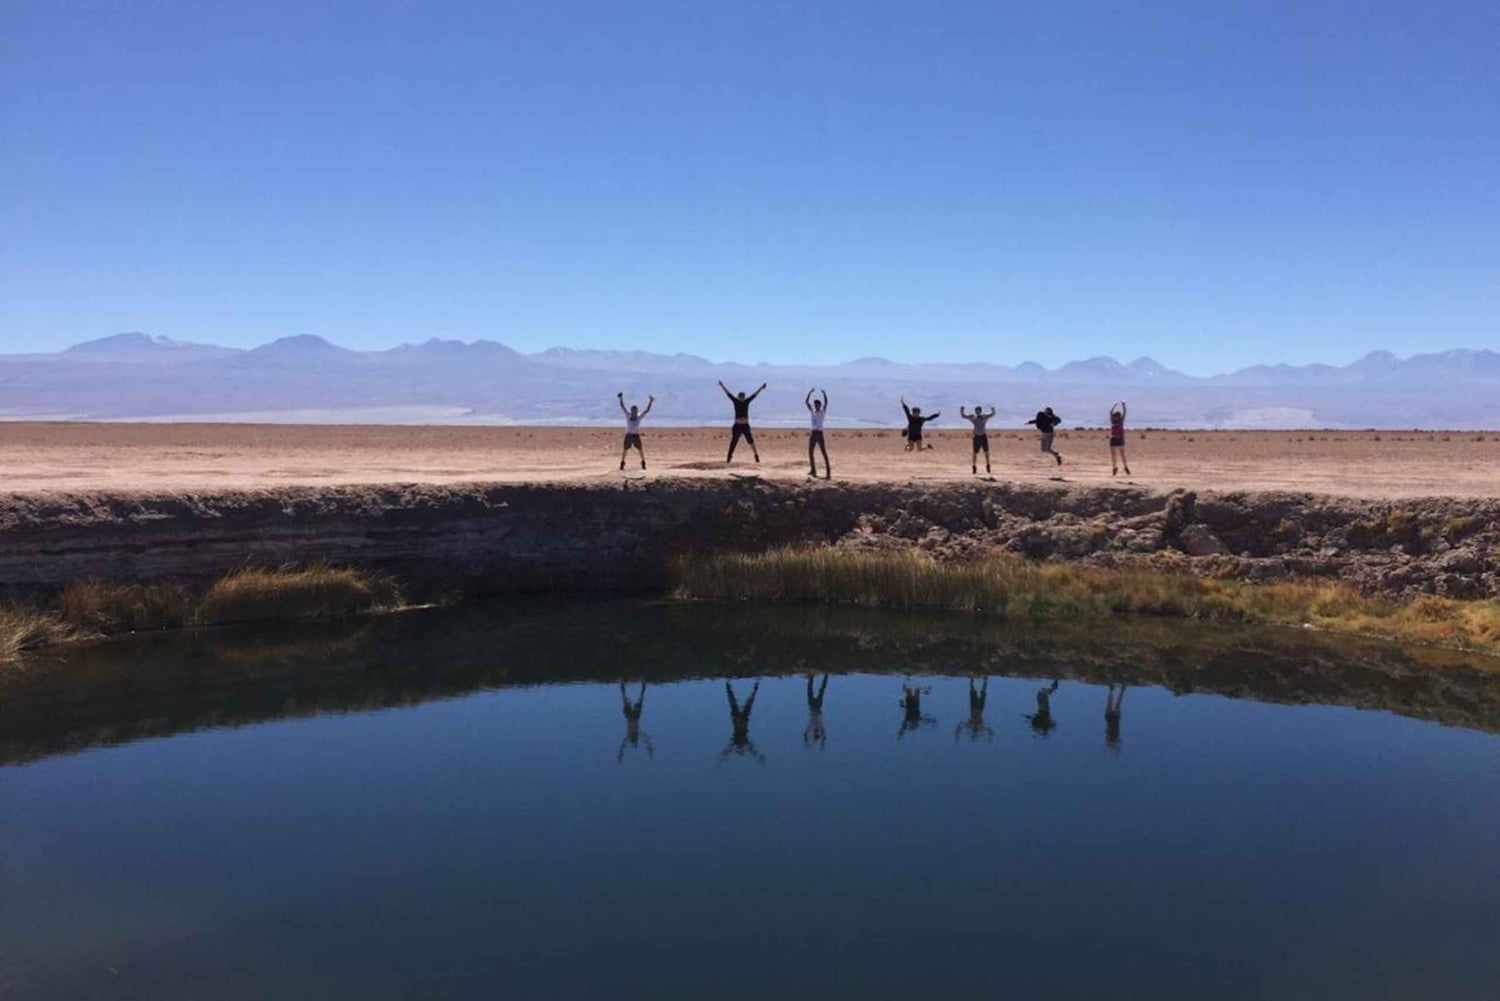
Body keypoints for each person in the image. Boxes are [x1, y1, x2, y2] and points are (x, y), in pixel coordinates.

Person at [719, 380, 766, 464]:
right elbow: (728, 393)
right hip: (737, 425)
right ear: (738, 397)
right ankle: (729, 456)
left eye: (742, 397)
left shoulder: (746, 401)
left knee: (750, 441)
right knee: (734, 442)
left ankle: (756, 455)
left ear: (744, 397)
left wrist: (761, 388)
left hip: (745, 425)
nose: (741, 398)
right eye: (740, 397)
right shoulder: (735, 401)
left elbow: (755, 395)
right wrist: (722, 385)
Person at [719, 680, 765, 764]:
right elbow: (751, 748)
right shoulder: (743, 740)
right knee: (745, 702)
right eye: (741, 748)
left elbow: (729, 749)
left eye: (740, 748)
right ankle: (755, 687)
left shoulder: (737, 741)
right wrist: (758, 755)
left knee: (733, 701)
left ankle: (728, 685)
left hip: (738, 719)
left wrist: (723, 755)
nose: (741, 746)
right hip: (743, 719)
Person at [617, 681, 655, 763]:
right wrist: (650, 749)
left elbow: (623, 744)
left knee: (626, 700)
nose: (636, 738)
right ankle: (642, 687)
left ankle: (623, 684)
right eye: (635, 739)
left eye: (635, 739)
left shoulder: (630, 735)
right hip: (635, 717)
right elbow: (646, 740)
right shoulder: (637, 733)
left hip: (631, 717)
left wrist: (621, 753)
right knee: (637, 700)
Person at [617, 392, 654, 471]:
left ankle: (643, 463)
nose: (634, 412)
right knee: (625, 450)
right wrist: (621, 398)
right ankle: (622, 463)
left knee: (640, 450)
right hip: (628, 435)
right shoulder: (628, 415)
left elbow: (646, 410)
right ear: (631, 411)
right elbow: (623, 407)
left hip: (636, 436)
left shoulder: (639, 417)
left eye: (635, 411)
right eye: (633, 410)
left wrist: (650, 401)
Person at [959, 404, 997, 475]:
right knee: (975, 452)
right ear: (975, 411)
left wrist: (993, 409)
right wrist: (962, 410)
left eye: (979, 411)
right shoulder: (973, 417)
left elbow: (992, 414)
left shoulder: (984, 416)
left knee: (986, 452)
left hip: (983, 436)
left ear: (981, 411)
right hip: (976, 436)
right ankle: (974, 466)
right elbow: (964, 416)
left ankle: (988, 465)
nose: (978, 412)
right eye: (976, 411)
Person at [954, 676, 995, 742]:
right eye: (975, 731)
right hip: (979, 709)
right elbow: (987, 729)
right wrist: (990, 735)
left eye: (974, 731)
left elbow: (961, 725)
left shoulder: (970, 725)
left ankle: (972, 679)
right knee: (982, 693)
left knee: (973, 692)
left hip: (974, 708)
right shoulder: (979, 726)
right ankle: (985, 680)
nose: (975, 730)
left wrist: (957, 732)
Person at [805, 388, 831, 479]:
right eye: (815, 405)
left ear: (820, 405)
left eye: (818, 404)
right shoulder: (813, 412)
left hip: (819, 434)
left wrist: (824, 394)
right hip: (813, 433)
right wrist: (809, 393)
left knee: (823, 453)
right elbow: (806, 402)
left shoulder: (822, 412)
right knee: (810, 452)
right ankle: (813, 470)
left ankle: (828, 473)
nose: (816, 406)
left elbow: (826, 403)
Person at [804, 673, 829, 749]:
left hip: (813, 706)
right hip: (816, 707)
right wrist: (822, 742)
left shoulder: (813, 726)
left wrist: (808, 740)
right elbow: (823, 733)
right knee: (820, 690)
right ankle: (824, 675)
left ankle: (813, 676)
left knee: (817, 690)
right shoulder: (818, 725)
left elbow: (806, 733)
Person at [1108, 402, 1131, 476]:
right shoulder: (1112, 421)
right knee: (1113, 455)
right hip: (1113, 439)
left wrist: (1123, 405)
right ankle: (1114, 467)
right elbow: (1110, 412)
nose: (1116, 417)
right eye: (1115, 416)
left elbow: (1125, 412)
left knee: (1122, 454)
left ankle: (1125, 467)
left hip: (1120, 439)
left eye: (1117, 416)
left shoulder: (1121, 421)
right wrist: (1114, 405)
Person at [1104, 683, 1126, 752]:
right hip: (1112, 718)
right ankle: (1113, 690)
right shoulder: (1113, 735)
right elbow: (1108, 729)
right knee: (1115, 703)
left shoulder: (1113, 735)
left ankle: (1118, 690)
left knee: (1115, 703)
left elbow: (1108, 729)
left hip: (1112, 718)